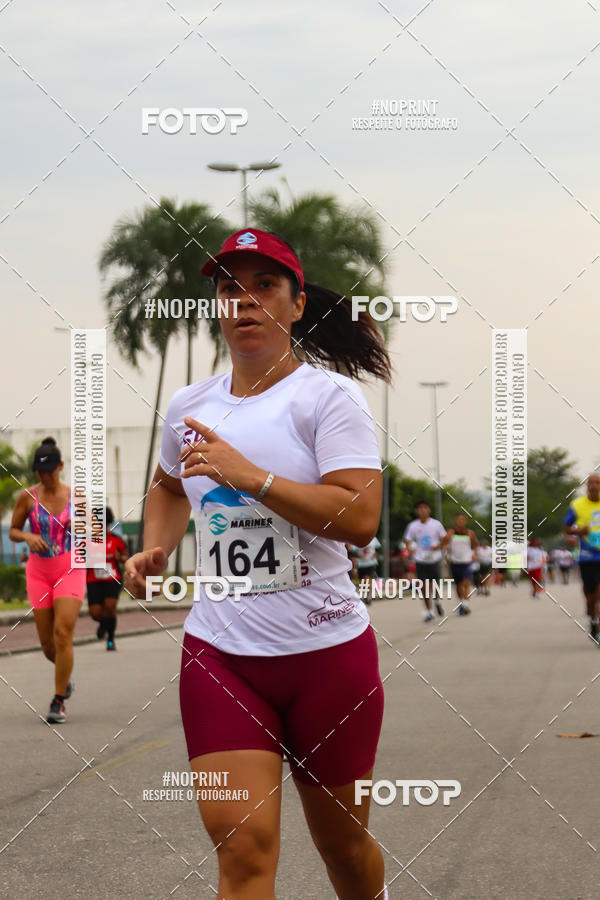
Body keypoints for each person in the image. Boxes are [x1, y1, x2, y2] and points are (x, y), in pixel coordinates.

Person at [124, 228, 392, 900]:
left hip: (327, 653)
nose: (243, 303)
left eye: (263, 287)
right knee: (243, 854)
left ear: (296, 304)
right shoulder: (189, 406)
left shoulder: (328, 400)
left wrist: (253, 478)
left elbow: (358, 517)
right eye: (228, 289)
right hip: (223, 654)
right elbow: (165, 485)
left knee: (343, 849)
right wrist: (154, 542)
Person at [8, 437, 86, 723]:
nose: (45, 475)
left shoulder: (76, 496)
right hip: (38, 572)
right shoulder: (27, 497)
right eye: (40, 471)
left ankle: (58, 701)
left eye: (50, 470)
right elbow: (13, 531)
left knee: (62, 633)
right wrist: (28, 536)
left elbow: (95, 533)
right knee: (47, 646)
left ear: (61, 467)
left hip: (69, 568)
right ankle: (65, 677)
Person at [86, 507, 128, 650]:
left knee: (110, 608)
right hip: (93, 580)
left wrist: (120, 557)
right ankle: (103, 624)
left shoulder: (116, 540)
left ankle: (110, 639)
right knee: (95, 613)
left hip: (112, 579)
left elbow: (126, 557)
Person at [564, 473, 600, 643]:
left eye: (597, 483)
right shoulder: (577, 505)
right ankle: (593, 621)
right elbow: (567, 528)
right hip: (587, 557)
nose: (593, 485)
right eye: (590, 483)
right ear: (586, 486)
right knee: (591, 595)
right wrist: (580, 531)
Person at [403, 501, 447, 622]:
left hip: (434, 559)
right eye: (420, 508)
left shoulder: (436, 524)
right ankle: (429, 611)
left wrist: (438, 546)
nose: (422, 510)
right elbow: (407, 540)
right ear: (417, 511)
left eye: (425, 508)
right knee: (423, 587)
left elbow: (445, 539)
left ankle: (437, 601)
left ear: (429, 510)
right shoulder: (413, 526)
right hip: (420, 559)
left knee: (433, 585)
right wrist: (409, 549)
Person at [441, 513, 478, 615]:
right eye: (458, 520)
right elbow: (443, 544)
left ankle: (465, 605)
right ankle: (461, 602)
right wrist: (445, 556)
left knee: (465, 583)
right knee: (458, 585)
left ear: (465, 521)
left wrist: (475, 554)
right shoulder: (451, 533)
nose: (460, 521)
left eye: (462, 520)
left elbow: (475, 545)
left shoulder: (470, 533)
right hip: (454, 562)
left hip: (466, 562)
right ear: (455, 521)